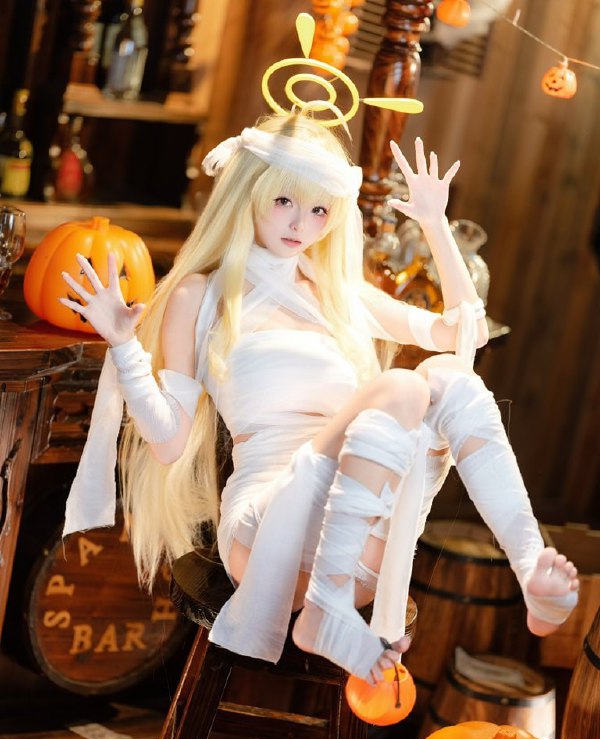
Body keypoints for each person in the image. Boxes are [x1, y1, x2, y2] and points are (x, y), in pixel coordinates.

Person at [61, 112, 579, 685]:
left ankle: (528, 568)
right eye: (284, 201)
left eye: (318, 210)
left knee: (451, 378)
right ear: (248, 193)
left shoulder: (338, 295)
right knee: (403, 386)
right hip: (266, 535)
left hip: (357, 555)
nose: (300, 223)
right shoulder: (201, 295)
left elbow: (466, 333)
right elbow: (168, 444)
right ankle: (324, 612)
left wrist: (435, 225)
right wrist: (125, 347)